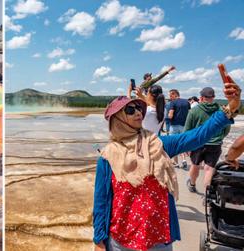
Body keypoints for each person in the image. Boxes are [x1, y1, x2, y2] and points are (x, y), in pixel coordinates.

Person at [93, 82, 241, 251]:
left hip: (159, 238)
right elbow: (101, 202)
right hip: (121, 240)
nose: (138, 112)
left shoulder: (159, 145)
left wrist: (230, 108)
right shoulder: (107, 157)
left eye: (139, 108)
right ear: (117, 119)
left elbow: (197, 136)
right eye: (130, 110)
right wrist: (98, 240)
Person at [185, 87, 231, 193]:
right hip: (215, 144)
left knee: (195, 165)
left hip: (197, 143)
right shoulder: (222, 111)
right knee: (209, 169)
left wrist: (186, 145)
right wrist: (219, 137)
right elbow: (227, 128)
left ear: (201, 98)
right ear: (213, 97)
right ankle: (208, 194)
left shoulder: (194, 111)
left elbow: (187, 129)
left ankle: (192, 184)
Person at [168, 89, 190, 168]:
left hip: (174, 125)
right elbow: (189, 113)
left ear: (174, 94)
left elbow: (170, 115)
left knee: (173, 144)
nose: (170, 97)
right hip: (183, 126)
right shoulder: (186, 102)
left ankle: (176, 163)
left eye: (170, 95)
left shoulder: (173, 102)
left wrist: (168, 117)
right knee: (181, 144)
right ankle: (184, 159)